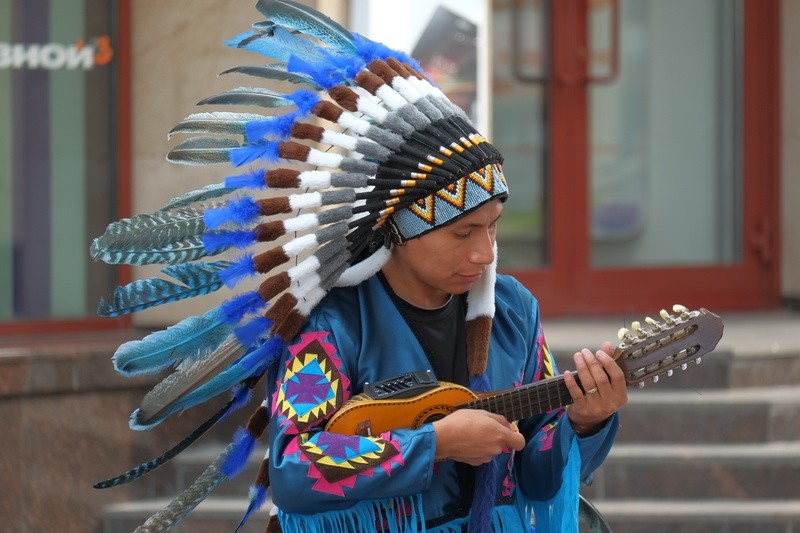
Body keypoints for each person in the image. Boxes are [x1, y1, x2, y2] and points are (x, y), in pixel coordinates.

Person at [90, 1, 627, 532]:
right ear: (396, 228)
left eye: (493, 227)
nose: (485, 253)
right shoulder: (334, 323)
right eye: (463, 232)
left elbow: (537, 477)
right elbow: (295, 470)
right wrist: (435, 444)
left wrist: (584, 420)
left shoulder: (512, 310)